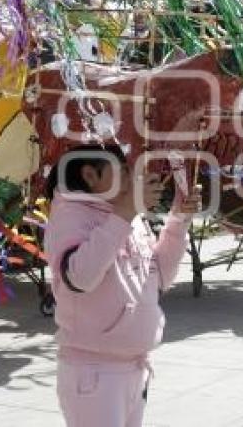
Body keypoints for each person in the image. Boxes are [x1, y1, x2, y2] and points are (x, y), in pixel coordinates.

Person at [45, 144, 201, 427]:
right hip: (95, 373)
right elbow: (80, 276)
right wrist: (126, 212)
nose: (133, 178)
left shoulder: (127, 215)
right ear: (91, 175)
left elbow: (159, 278)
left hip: (133, 368)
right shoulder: (70, 215)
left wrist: (178, 220)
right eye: (124, 171)